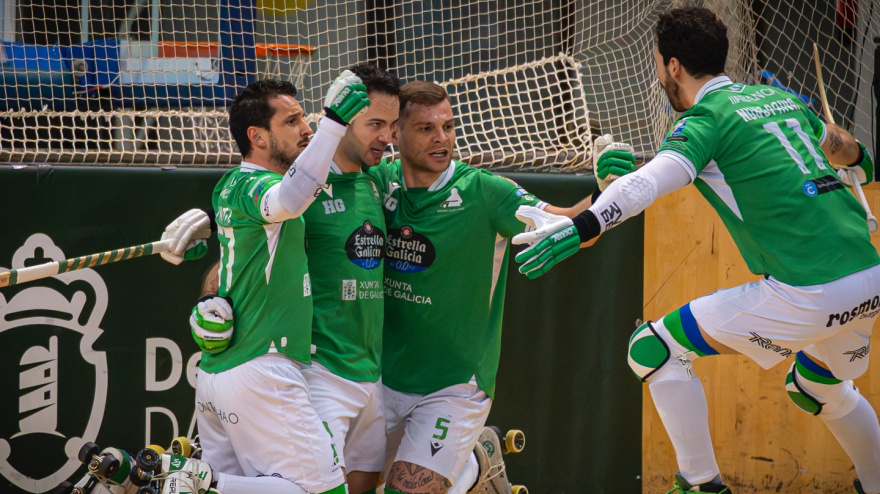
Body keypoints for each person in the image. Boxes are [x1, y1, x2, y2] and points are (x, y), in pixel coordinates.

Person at [513, 7, 880, 494]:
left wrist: (581, 226)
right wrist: (862, 161)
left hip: (807, 291)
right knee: (819, 385)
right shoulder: (780, 99)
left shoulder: (706, 118)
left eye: (658, 64)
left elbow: (649, 183)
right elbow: (847, 148)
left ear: (673, 67)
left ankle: (701, 485)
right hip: (869, 278)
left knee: (653, 350)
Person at [370, 80, 625, 494]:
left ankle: (470, 460)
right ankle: (474, 462)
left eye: (449, 127)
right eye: (426, 129)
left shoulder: (485, 192)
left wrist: (604, 190)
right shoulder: (379, 183)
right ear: (395, 133)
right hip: (381, 377)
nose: (442, 139)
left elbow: (565, 224)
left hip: (454, 385)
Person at [297, 62, 399, 494]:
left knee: (364, 485)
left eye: (393, 126)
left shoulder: (377, 181)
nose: (387, 138)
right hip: (320, 373)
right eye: (375, 123)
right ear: (341, 120)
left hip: (372, 374)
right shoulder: (301, 187)